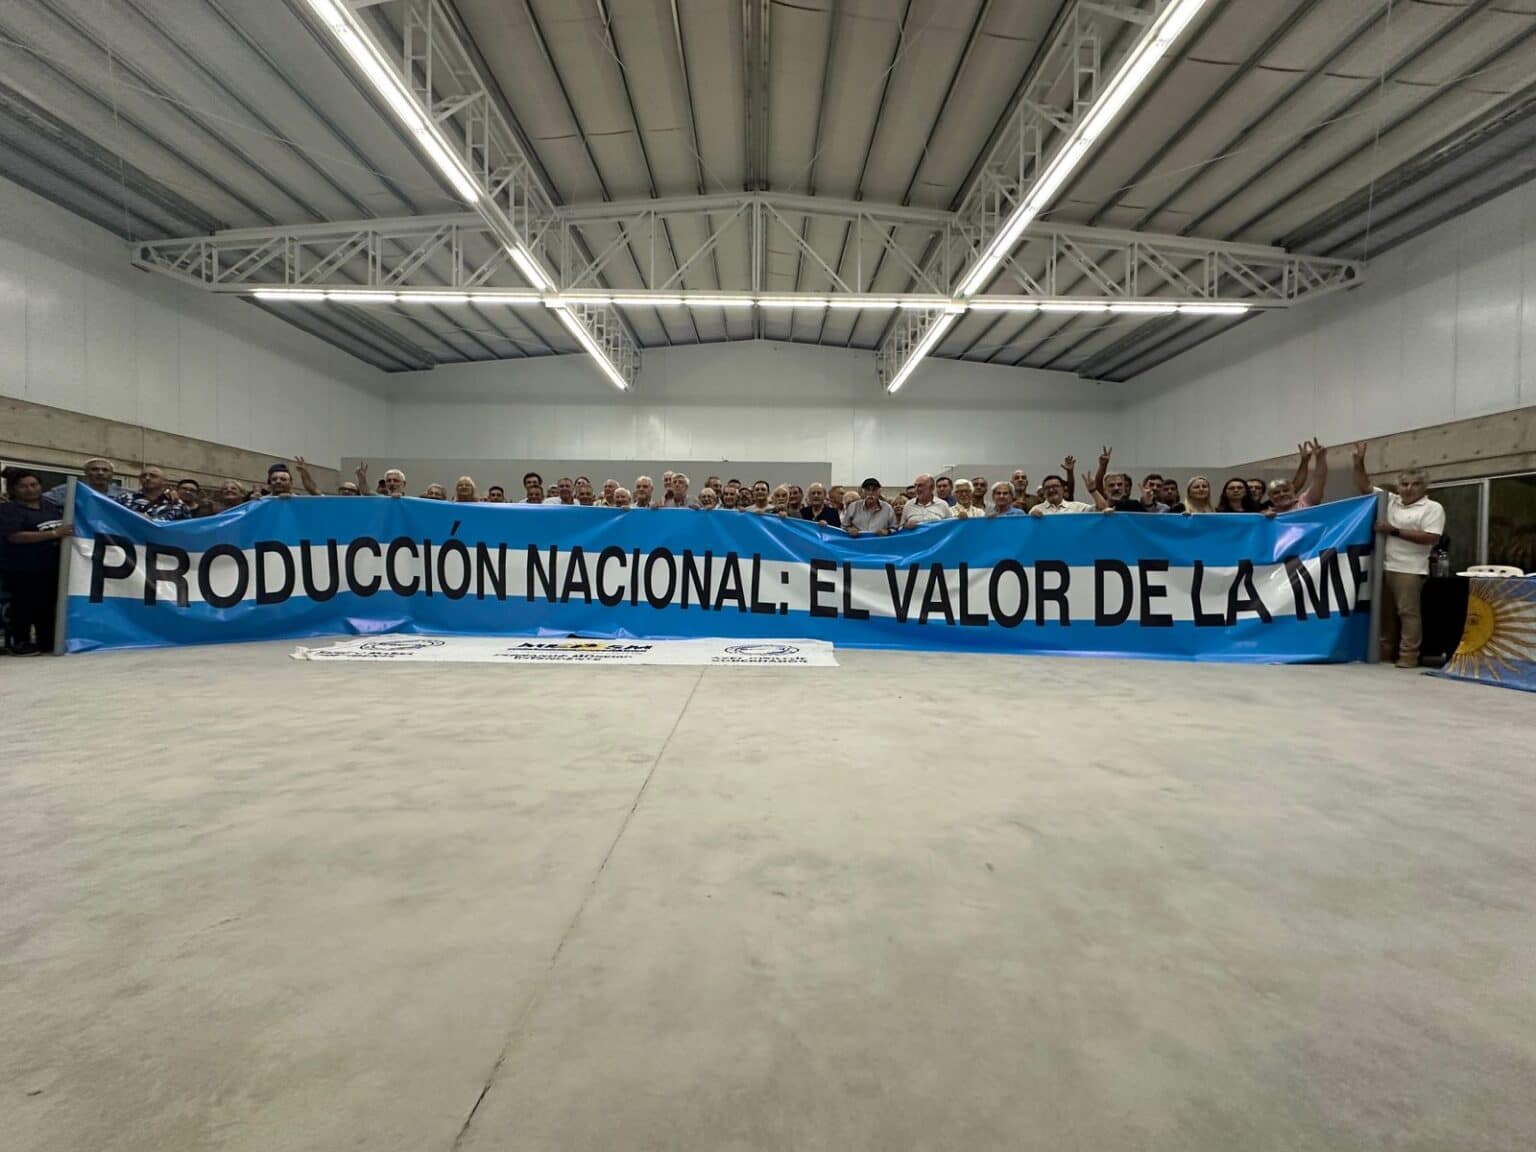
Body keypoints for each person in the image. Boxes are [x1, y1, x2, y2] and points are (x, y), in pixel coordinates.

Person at [1352, 443, 1445, 669]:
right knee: (1384, 614)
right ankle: (1385, 653)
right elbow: (1364, 486)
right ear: (1398, 486)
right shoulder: (1390, 501)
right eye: (1404, 484)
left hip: (1410, 569)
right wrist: (1358, 463)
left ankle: (1409, 655)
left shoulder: (1432, 508)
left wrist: (1393, 530)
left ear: (1424, 487)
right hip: (1383, 566)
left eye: (1415, 484)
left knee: (1408, 614)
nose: (1409, 488)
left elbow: (1432, 537)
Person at [0, 469, 71, 654]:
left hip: (50, 568)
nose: (30, 489)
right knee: (23, 607)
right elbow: (14, 536)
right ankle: (19, 643)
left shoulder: (50, 507)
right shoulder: (8, 509)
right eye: (23, 486)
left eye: (34, 485)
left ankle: (46, 642)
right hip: (22, 569)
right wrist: (54, 534)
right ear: (13, 489)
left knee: (47, 608)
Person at [44, 457, 125, 514]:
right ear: (86, 472)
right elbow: (41, 502)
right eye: (94, 469)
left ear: (112, 474)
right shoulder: (70, 490)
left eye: (105, 470)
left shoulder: (123, 495)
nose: (100, 473)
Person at [1268, 440, 1327, 512]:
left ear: (1293, 491)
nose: (1282, 494)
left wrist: (1320, 458)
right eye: (1276, 493)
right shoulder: (1268, 515)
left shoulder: (1306, 501)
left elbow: (1319, 479)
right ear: (1270, 498)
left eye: (1286, 490)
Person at [118, 466, 190, 521]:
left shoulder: (177, 504)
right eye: (143, 476)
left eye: (153, 476)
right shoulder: (124, 498)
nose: (147, 478)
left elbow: (185, 530)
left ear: (164, 481)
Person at [1029, 475, 1097, 515]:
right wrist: (1031, 519)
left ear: (1063, 489)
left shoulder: (1077, 507)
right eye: (1047, 488)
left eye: (1055, 486)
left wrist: (1093, 491)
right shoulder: (1036, 509)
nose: (1051, 490)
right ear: (1043, 491)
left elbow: (1100, 508)